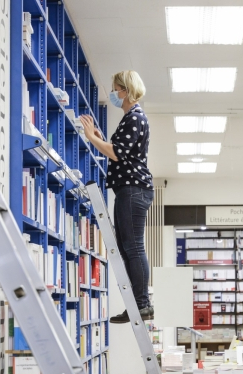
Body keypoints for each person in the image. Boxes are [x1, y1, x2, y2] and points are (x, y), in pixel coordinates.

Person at [79, 71, 154, 324]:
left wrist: (91, 138)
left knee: (133, 247)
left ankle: (142, 304)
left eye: (115, 89)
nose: (113, 94)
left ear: (125, 90)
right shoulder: (131, 118)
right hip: (128, 188)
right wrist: (100, 141)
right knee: (126, 247)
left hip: (133, 189)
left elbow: (118, 154)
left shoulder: (135, 117)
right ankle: (137, 303)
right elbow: (120, 151)